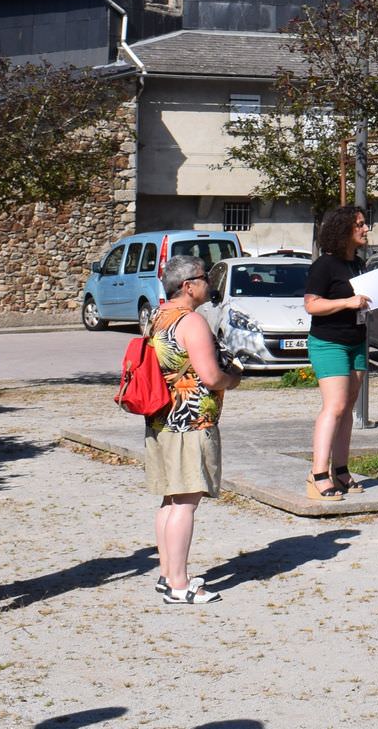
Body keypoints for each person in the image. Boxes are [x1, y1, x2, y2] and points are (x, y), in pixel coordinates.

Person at [144, 254, 241, 605]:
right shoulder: (191, 322)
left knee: (170, 499)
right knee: (186, 503)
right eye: (204, 277)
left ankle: (167, 573)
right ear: (188, 286)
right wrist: (234, 379)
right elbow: (211, 376)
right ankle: (180, 586)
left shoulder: (158, 317)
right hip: (191, 420)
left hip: (162, 419)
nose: (209, 283)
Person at [303, 205, 371, 500]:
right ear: (344, 230)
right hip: (329, 342)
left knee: (348, 408)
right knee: (335, 406)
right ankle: (318, 475)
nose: (365, 228)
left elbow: (360, 300)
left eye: (365, 224)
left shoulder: (358, 264)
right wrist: (346, 303)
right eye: (360, 224)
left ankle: (341, 471)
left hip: (356, 341)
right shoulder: (324, 265)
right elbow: (311, 305)